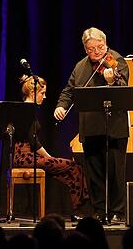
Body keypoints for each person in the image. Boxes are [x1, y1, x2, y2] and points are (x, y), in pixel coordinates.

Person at [54, 27, 129, 224]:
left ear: (105, 44)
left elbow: (124, 87)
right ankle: (98, 210)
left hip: (114, 127)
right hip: (89, 127)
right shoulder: (80, 67)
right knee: (94, 173)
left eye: (100, 47)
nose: (96, 52)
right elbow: (69, 91)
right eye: (91, 49)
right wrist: (61, 107)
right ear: (85, 49)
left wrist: (112, 81)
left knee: (115, 171)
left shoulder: (116, 60)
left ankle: (118, 211)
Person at [14, 74, 89, 220]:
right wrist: (49, 157)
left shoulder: (29, 110)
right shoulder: (26, 111)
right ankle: (78, 209)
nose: (45, 96)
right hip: (24, 157)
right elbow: (34, 142)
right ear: (32, 93)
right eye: (42, 93)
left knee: (71, 168)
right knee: (73, 167)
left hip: (28, 157)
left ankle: (77, 208)